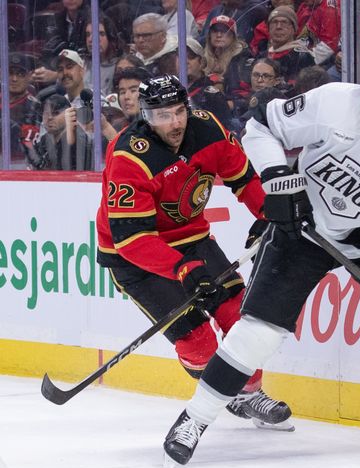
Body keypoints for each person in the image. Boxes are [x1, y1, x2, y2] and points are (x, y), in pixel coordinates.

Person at [162, 37, 360, 468]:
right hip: (303, 229)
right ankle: (195, 419)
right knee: (257, 333)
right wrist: (279, 180)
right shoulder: (333, 102)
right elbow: (261, 125)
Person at [96, 75, 294, 439]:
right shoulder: (129, 156)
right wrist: (182, 269)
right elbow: (131, 239)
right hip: (136, 257)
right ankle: (225, 390)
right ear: (145, 116)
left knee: (239, 318)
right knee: (198, 339)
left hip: (191, 239)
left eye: (178, 112)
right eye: (161, 116)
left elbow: (245, 179)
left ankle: (248, 393)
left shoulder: (207, 129)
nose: (173, 123)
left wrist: (268, 214)